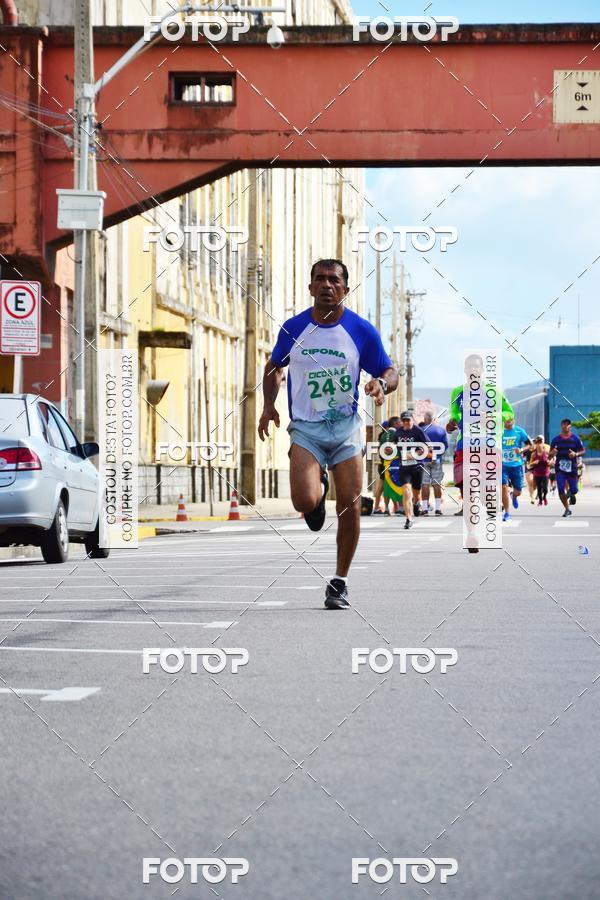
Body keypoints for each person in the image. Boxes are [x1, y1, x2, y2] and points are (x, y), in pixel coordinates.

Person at [258, 259, 398, 610]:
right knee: (304, 503)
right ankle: (316, 494)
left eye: (334, 280)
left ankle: (339, 581)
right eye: (319, 279)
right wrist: (267, 405)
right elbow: (274, 366)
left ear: (345, 289)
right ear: (310, 288)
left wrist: (381, 384)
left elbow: (390, 371)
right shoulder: (293, 328)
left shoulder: (360, 331)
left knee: (350, 506)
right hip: (306, 427)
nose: (326, 285)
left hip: (346, 428)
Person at [447, 355, 513, 517]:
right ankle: (467, 505)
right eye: (470, 366)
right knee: (463, 477)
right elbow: (455, 413)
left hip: (489, 442)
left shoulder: (493, 391)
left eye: (476, 366)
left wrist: (491, 417)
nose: (473, 369)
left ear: (482, 370)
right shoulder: (457, 391)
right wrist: (452, 422)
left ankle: (488, 499)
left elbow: (509, 413)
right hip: (466, 442)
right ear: (465, 370)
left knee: (486, 482)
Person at [394, 411, 429, 530]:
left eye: (408, 420)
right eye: (404, 420)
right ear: (401, 421)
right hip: (404, 467)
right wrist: (390, 449)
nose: (406, 422)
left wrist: (415, 454)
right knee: (406, 491)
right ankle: (408, 519)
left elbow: (427, 446)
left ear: (412, 420)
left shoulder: (418, 431)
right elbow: (394, 444)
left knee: (416, 494)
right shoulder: (398, 432)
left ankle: (416, 503)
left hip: (417, 466)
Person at [549, 418, 585, 518]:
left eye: (568, 424)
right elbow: (549, 455)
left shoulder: (575, 439)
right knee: (560, 490)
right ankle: (567, 509)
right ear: (561, 426)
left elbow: (583, 451)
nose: (566, 426)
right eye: (564, 424)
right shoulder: (556, 440)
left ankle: (571, 493)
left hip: (572, 468)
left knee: (575, 489)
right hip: (560, 469)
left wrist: (576, 454)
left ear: (570, 426)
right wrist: (552, 453)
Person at [502, 417, 531, 521]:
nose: (508, 421)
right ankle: (507, 513)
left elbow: (529, 444)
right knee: (503, 487)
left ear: (514, 420)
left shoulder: (519, 431)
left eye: (510, 419)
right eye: (506, 419)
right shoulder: (498, 431)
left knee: (518, 491)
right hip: (503, 465)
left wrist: (521, 450)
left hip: (516, 465)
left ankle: (513, 496)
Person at [419, 411, 448, 516]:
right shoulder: (440, 430)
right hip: (437, 460)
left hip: (423, 460)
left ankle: (425, 508)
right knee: (437, 484)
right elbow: (445, 447)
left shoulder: (420, 430)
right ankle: (438, 509)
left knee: (425, 484)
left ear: (425, 419)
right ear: (433, 419)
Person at [373, 417, 400, 514]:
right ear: (396, 423)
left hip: (383, 463)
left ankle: (382, 507)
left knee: (383, 486)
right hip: (393, 464)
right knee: (394, 486)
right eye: (400, 422)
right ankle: (398, 507)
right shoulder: (396, 434)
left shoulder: (382, 435)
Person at [529, 435, 550, 506]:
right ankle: (540, 500)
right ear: (536, 444)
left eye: (540, 442)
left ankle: (544, 497)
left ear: (543, 443)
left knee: (545, 489)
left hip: (545, 473)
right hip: (537, 473)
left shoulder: (546, 453)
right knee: (539, 488)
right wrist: (534, 463)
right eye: (537, 442)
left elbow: (552, 462)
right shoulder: (534, 454)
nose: (539, 444)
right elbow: (529, 465)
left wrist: (549, 462)